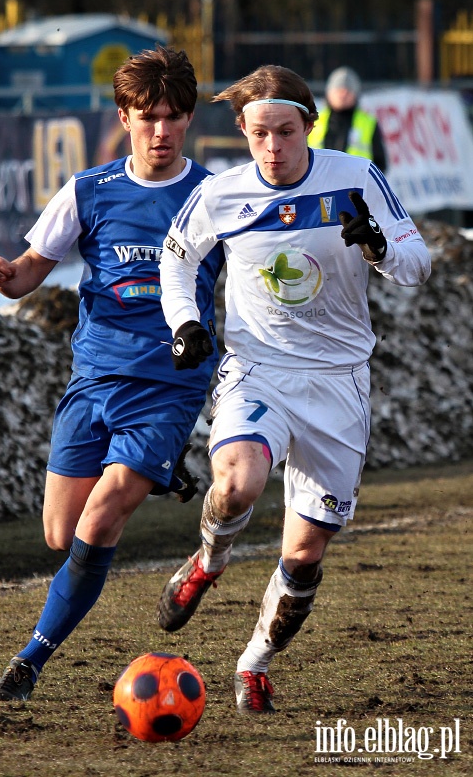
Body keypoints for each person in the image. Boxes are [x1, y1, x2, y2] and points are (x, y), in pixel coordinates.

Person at [156, 64, 431, 714]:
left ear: (309, 125)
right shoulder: (222, 193)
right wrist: (186, 322)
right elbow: (177, 256)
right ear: (244, 132)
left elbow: (417, 264)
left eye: (285, 131)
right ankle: (208, 561)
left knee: (303, 555)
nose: (273, 148)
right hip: (261, 368)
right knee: (238, 482)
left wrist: (377, 248)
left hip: (338, 382)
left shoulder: (357, 179)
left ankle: (253, 662)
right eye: (258, 135)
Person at [0, 45, 224, 702]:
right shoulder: (90, 190)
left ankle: (27, 662)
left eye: (174, 117)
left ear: (191, 119)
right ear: (125, 115)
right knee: (62, 531)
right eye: (149, 117)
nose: (162, 131)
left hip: (169, 386)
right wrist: (6, 277)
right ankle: (158, 470)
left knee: (105, 513)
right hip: (94, 380)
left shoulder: (215, 197)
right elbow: (33, 267)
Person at [307, 66, 388, 171]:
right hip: (318, 184)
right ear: (329, 93)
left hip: (355, 185)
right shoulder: (314, 121)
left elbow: (380, 163)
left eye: (348, 90)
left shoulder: (368, 123)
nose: (343, 95)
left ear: (356, 94)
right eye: (338, 90)